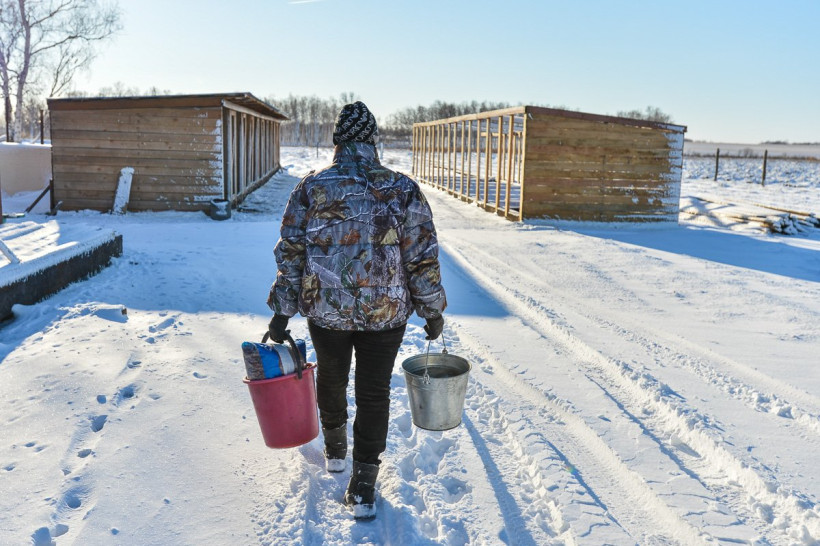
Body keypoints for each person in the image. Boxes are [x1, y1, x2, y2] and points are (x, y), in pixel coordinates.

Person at [267, 101, 447, 520]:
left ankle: (335, 452)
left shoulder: (312, 187)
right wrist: (431, 309)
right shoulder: (402, 189)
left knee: (331, 379)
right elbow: (421, 256)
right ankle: (363, 486)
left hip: (326, 312)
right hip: (385, 315)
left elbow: (291, 253)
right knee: (373, 392)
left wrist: (282, 310)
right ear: (372, 140)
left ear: (338, 139)